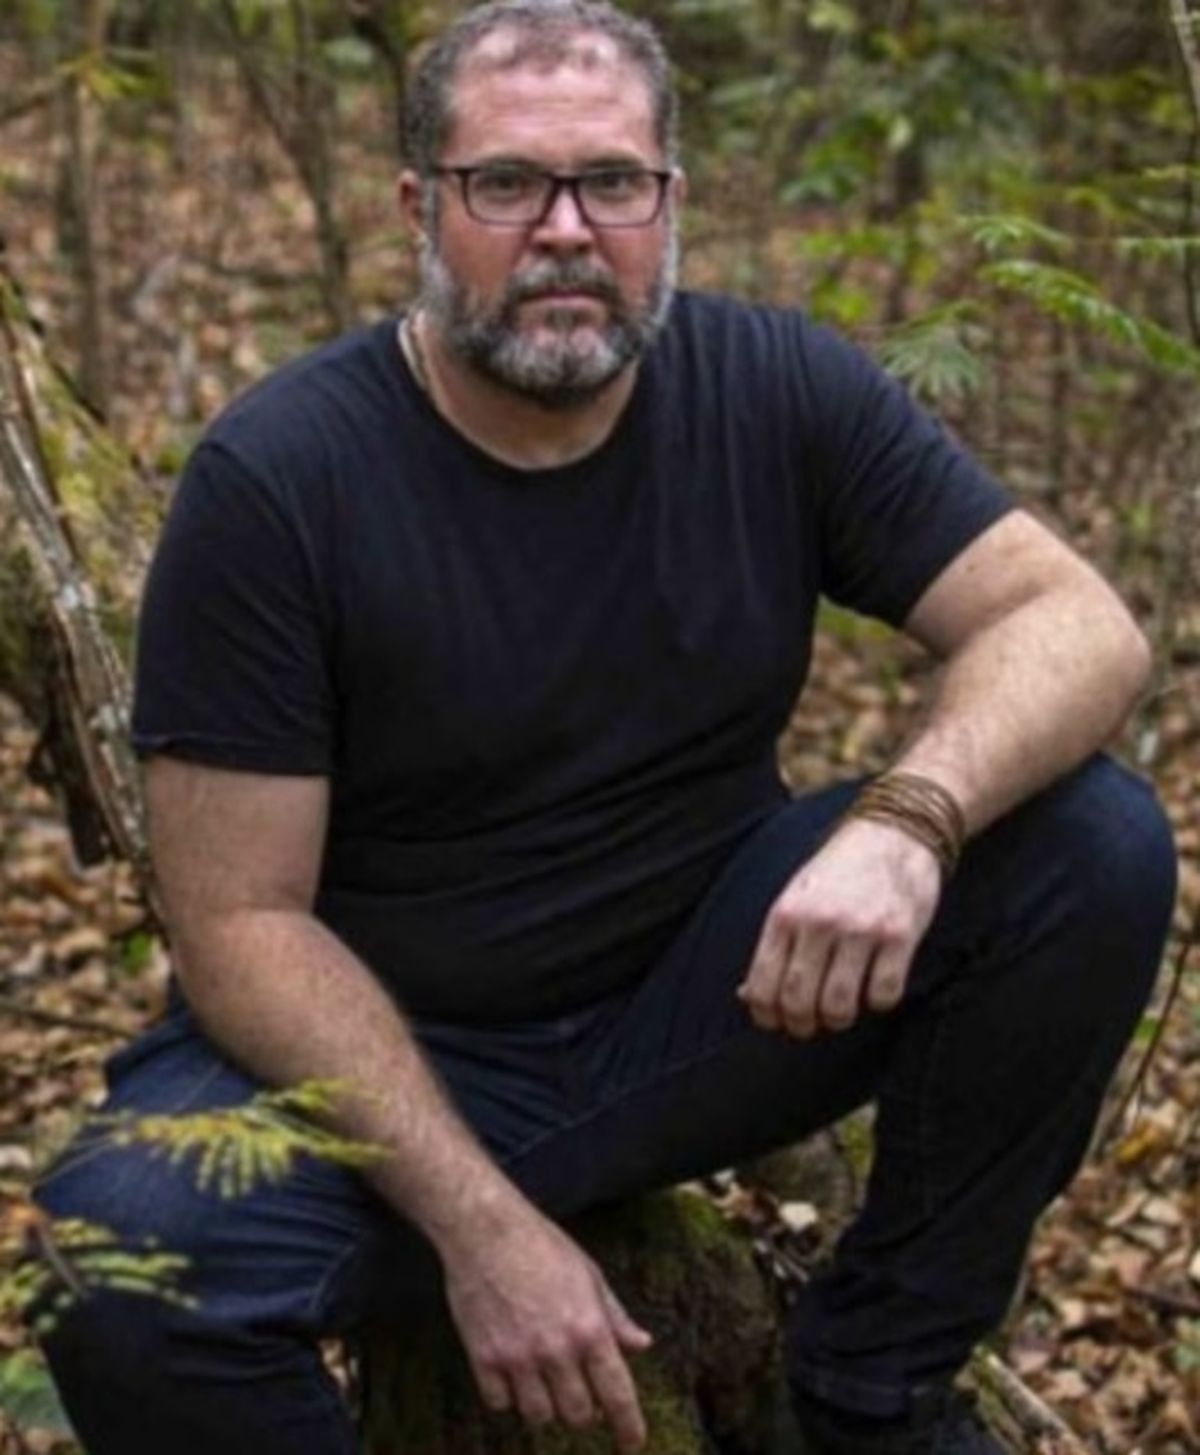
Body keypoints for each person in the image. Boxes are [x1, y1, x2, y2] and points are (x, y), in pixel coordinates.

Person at [34, 2, 1176, 1452]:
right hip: (390, 1053)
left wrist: (907, 818)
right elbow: (241, 926)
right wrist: (487, 1231)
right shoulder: (281, 480)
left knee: (1092, 842)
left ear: (669, 202)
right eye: (507, 184)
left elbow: (1076, 624)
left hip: (706, 1004)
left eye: (613, 182)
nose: (567, 228)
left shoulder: (774, 388)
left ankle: (872, 1390)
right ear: (417, 208)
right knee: (111, 1266)